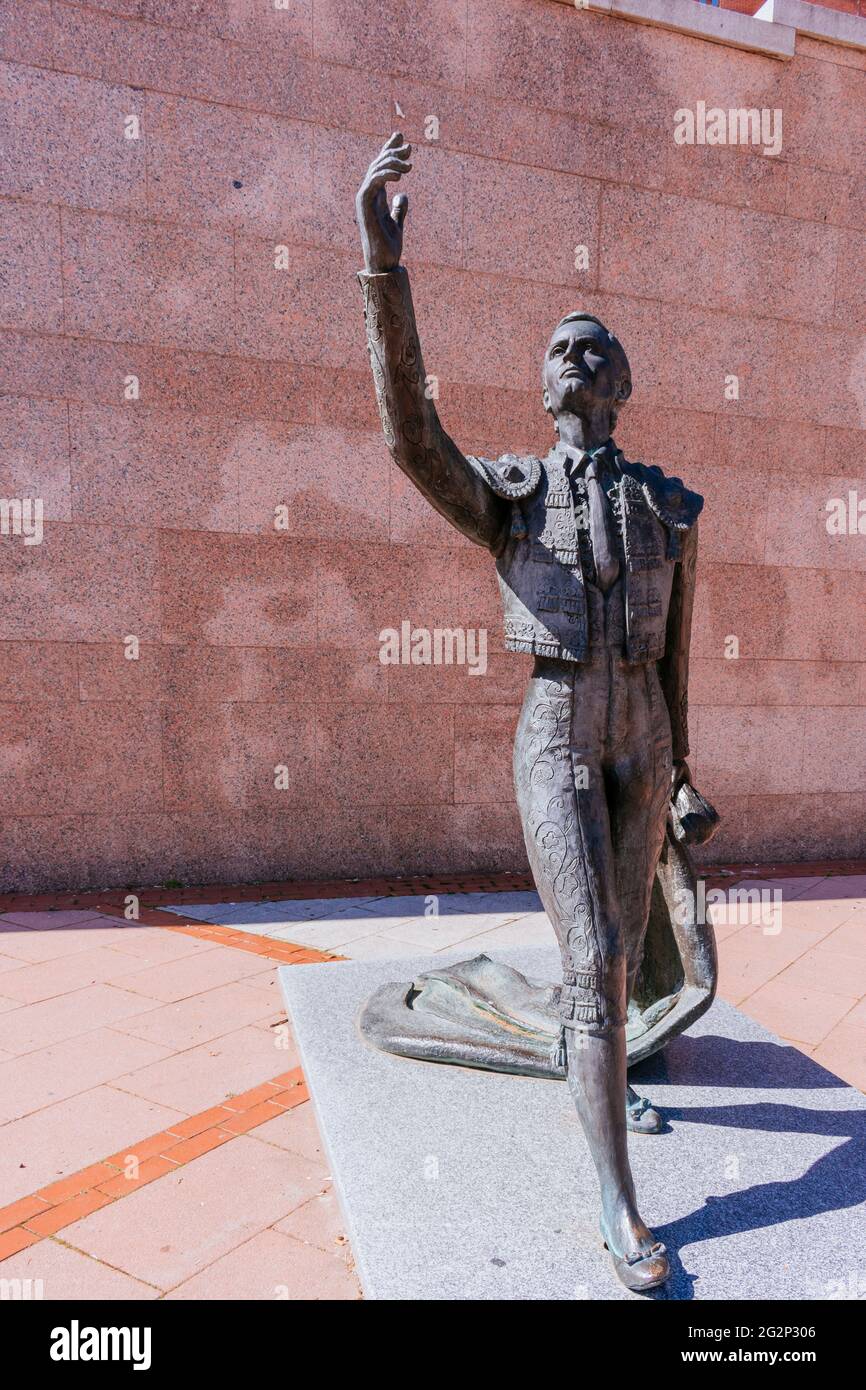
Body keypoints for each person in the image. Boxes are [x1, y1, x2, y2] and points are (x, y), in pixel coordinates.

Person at [355, 132, 705, 1293]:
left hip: (639, 742)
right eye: (554, 349)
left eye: (586, 349)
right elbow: (411, 437)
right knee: (594, 953)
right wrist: (382, 271)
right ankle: (616, 1204)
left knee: (606, 978)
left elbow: (677, 657)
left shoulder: (664, 506)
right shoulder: (507, 497)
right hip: (554, 732)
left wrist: (684, 772)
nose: (565, 356)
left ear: (615, 385)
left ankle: (598, 1070)